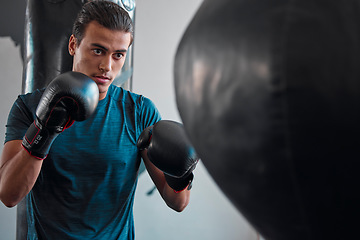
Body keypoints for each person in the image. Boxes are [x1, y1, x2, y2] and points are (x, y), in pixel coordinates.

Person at [0, 1, 198, 239]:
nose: (107, 66)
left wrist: (182, 172)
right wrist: (44, 130)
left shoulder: (139, 111)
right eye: (98, 51)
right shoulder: (29, 107)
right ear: (74, 45)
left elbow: (177, 202)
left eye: (118, 55)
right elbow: (9, 195)